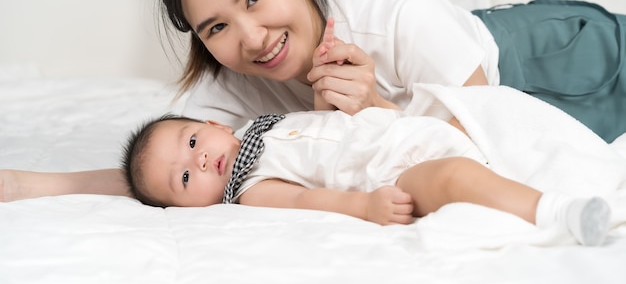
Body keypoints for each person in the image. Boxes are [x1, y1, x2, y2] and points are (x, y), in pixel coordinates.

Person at [2, 0, 626, 202]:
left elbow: (490, 147)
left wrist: (378, 106)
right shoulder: (223, 85)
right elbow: (165, 172)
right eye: (214, 27)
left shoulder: (397, 14)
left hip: (557, 63)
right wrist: (30, 186)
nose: (251, 40)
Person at [120, 107, 612, 247]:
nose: (199, 162)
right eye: (184, 179)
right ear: (192, 209)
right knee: (455, 177)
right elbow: (302, 204)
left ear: (210, 125)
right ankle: (558, 211)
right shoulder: (247, 189)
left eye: (190, 143)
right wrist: (364, 207)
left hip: (410, 132)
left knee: (499, 109)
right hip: (397, 173)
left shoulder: (258, 124)